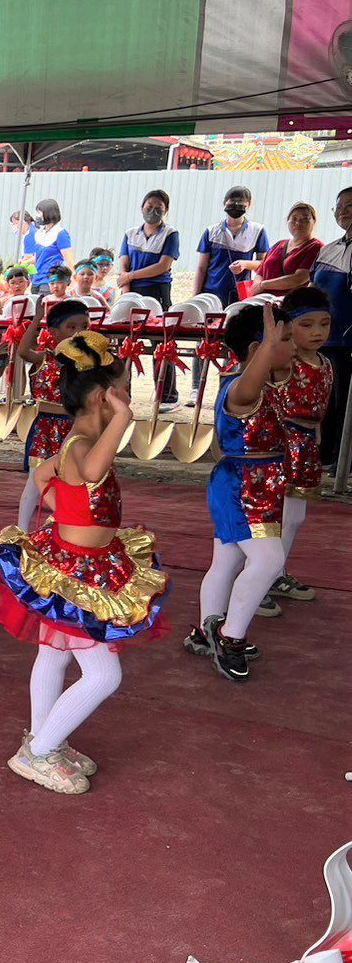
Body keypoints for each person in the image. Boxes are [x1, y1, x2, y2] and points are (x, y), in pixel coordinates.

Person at [0, 332, 168, 794]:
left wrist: (48, 485)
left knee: (54, 652)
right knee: (105, 673)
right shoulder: (83, 447)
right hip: (78, 570)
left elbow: (49, 473)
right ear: (100, 396)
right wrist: (124, 418)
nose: (127, 398)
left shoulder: (77, 441)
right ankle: (40, 751)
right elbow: (90, 472)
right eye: (122, 391)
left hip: (90, 561)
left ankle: (45, 736)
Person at [182, 302, 293, 683]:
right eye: (285, 340)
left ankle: (203, 630)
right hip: (243, 486)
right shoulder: (241, 389)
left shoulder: (262, 384)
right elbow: (254, 378)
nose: (291, 347)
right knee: (267, 561)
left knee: (228, 561)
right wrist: (269, 346)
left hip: (258, 484)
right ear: (254, 351)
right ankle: (231, 637)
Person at [265, 286, 333, 604]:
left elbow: (320, 409)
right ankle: (259, 576)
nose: (318, 332)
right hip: (280, 444)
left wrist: (316, 438)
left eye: (324, 323)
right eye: (307, 325)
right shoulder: (283, 363)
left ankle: (275, 574)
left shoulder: (326, 364)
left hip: (306, 447)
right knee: (272, 517)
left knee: (295, 517)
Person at [15, 300, 92, 528]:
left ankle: (71, 525)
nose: (79, 332)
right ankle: (21, 530)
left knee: (75, 481)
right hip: (47, 428)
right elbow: (22, 351)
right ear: (54, 332)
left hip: (75, 428)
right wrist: (37, 319)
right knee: (34, 480)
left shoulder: (88, 363)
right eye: (71, 326)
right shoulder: (45, 358)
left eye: (84, 326)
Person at [192, 187, 270, 409]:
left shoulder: (258, 230)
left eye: (241, 202)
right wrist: (196, 297)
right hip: (212, 293)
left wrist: (246, 264)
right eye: (232, 201)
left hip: (240, 296)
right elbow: (201, 267)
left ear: (249, 205)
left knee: (235, 341)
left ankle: (228, 384)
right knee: (204, 340)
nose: (236, 205)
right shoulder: (211, 231)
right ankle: (196, 388)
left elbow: (264, 263)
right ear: (224, 203)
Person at [117, 190, 180, 402]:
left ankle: (167, 396)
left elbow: (163, 266)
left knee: (161, 344)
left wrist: (131, 276)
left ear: (166, 212)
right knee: (125, 343)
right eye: (149, 207)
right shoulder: (130, 233)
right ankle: (123, 393)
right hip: (131, 291)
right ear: (141, 207)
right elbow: (123, 264)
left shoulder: (170, 234)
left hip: (157, 292)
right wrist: (126, 291)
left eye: (158, 209)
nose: (153, 212)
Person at [311, 186, 352, 466]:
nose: (344, 211)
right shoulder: (329, 250)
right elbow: (313, 289)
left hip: (347, 341)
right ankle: (325, 455)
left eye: (350, 206)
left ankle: (344, 458)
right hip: (322, 340)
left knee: (344, 402)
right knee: (322, 399)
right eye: (340, 207)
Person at [253, 203, 323, 297]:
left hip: (289, 304)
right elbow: (261, 271)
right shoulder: (279, 244)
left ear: (314, 222)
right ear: (287, 221)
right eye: (294, 219)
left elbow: (298, 279)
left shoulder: (316, 247)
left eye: (305, 219)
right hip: (262, 301)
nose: (298, 223)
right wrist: (256, 286)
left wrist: (262, 285)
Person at [28, 200, 73, 291]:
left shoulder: (60, 234)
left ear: (48, 214)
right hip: (36, 279)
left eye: (39, 213)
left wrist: (71, 282)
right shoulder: (39, 233)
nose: (37, 216)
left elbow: (70, 261)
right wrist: (25, 263)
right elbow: (37, 257)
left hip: (50, 281)